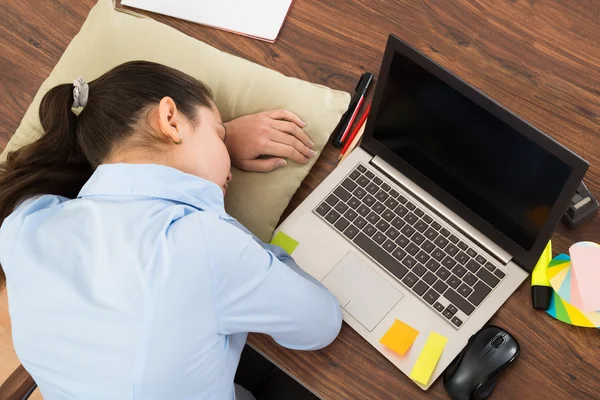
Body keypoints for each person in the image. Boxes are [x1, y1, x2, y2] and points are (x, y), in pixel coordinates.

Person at [0, 61, 342, 400]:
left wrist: (209, 142)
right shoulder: (202, 242)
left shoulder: (23, 223)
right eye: (220, 134)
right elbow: (321, 324)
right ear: (170, 119)